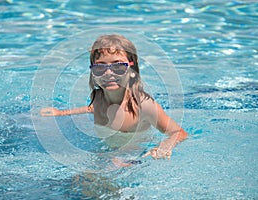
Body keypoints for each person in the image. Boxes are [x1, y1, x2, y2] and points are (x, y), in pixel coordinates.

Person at [40, 34, 188, 162]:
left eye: (118, 67)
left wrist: (165, 146)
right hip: (106, 153)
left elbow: (179, 132)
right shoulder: (98, 96)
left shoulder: (143, 105)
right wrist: (61, 113)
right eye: (100, 68)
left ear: (132, 69)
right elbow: (91, 108)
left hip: (135, 157)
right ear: (93, 72)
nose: (109, 73)